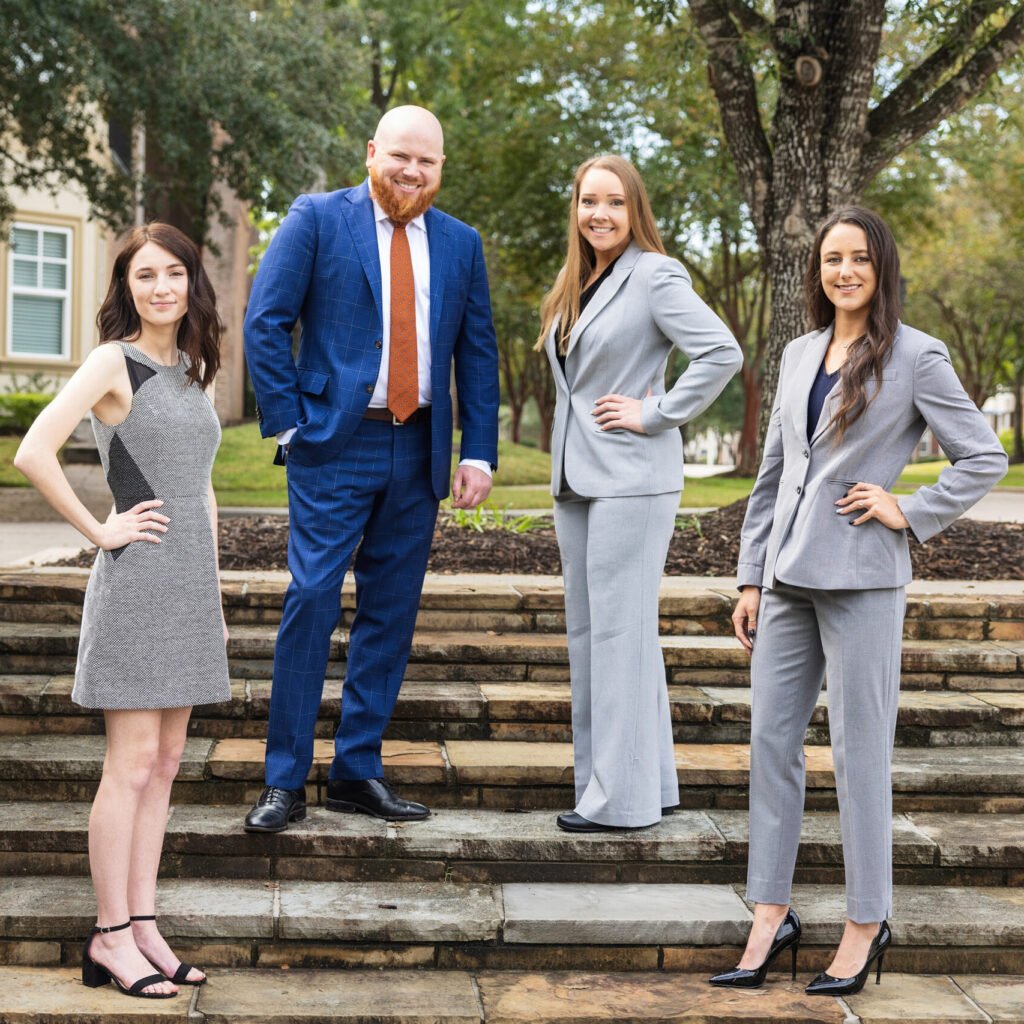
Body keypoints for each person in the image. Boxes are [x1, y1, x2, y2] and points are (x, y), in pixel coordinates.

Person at [710, 206, 1007, 995]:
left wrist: (909, 510)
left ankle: (865, 922)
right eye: (831, 258)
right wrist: (749, 575)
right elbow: (774, 476)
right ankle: (770, 915)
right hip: (785, 583)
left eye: (859, 259)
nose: (843, 271)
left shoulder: (917, 356)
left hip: (865, 581)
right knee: (772, 748)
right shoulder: (801, 352)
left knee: (857, 755)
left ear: (882, 270)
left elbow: (984, 456)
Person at [242, 105, 499, 833]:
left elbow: (477, 354)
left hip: (418, 448)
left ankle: (357, 771)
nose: (412, 172)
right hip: (332, 443)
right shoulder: (319, 218)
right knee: (313, 598)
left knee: (390, 614)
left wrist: (477, 449)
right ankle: (284, 780)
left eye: (428, 162)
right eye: (401, 157)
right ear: (371, 153)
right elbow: (266, 319)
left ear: (441, 169)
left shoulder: (461, 244)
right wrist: (291, 424)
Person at [14, 223, 230, 998]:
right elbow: (33, 450)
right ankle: (109, 935)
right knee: (131, 765)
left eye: (174, 273)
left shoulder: (194, 371)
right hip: (135, 580)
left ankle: (144, 926)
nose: (161, 287)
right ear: (127, 287)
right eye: (146, 275)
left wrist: (209, 580)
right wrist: (102, 528)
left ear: (191, 283)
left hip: (187, 588)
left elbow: (198, 483)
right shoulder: (115, 361)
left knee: (167, 766)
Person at [536, 155, 742, 834]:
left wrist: (657, 412)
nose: (599, 214)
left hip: (633, 478)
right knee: (599, 635)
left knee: (620, 636)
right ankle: (643, 783)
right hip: (578, 480)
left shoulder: (655, 275)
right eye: (588, 201)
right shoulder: (577, 282)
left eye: (614, 203)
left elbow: (721, 352)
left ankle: (618, 805)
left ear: (636, 211)